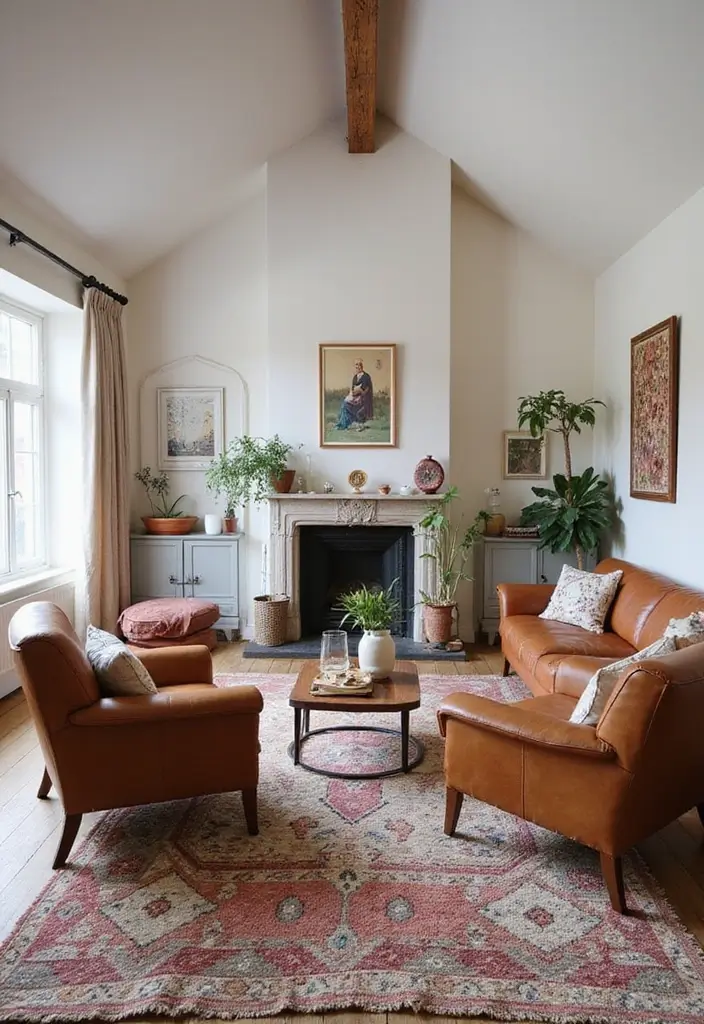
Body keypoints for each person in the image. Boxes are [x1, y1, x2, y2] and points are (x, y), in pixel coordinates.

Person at [335, 360, 374, 430]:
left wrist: (358, 391)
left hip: (363, 400)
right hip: (355, 398)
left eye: (359, 365)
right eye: (356, 365)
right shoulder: (355, 377)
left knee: (346, 405)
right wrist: (352, 393)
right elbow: (353, 388)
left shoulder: (366, 376)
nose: (357, 367)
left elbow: (365, 390)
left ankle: (344, 425)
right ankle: (343, 424)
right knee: (344, 404)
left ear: (362, 366)